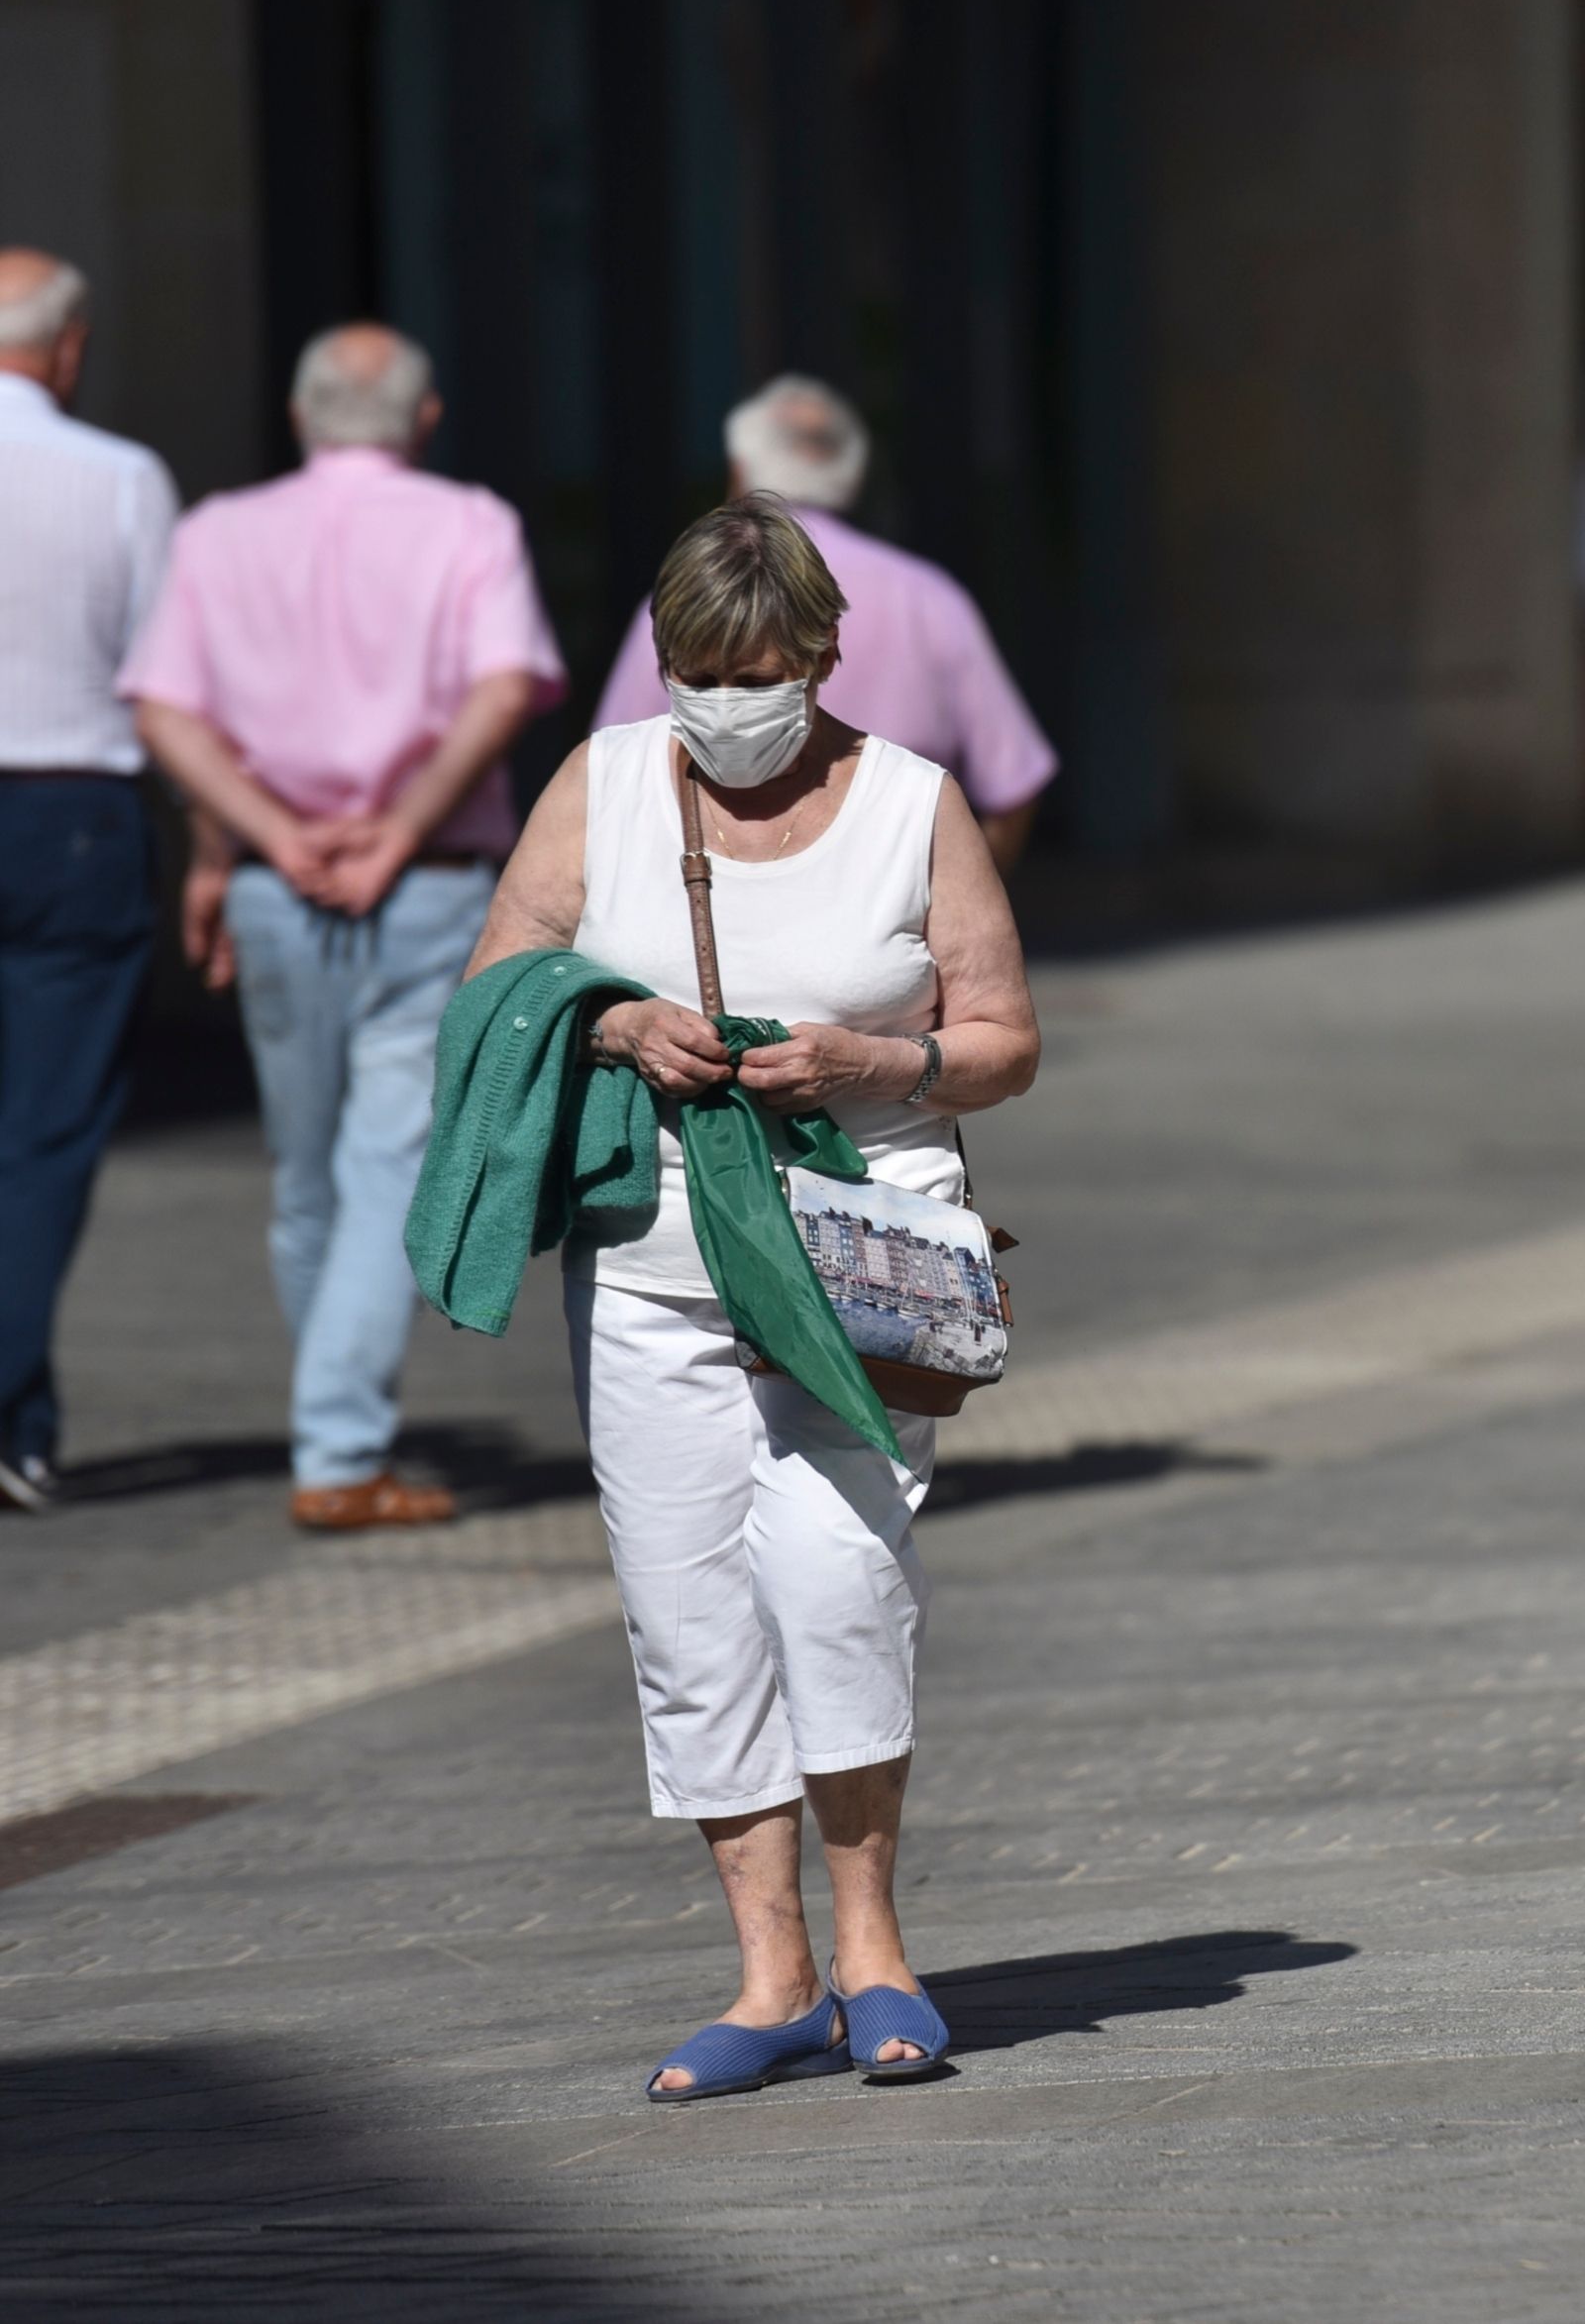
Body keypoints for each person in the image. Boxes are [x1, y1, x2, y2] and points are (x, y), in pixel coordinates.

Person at [466, 493, 1039, 2095]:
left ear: (824, 653)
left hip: (862, 1263)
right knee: (690, 1605)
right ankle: (770, 1975)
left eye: (761, 668)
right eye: (696, 671)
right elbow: (500, 982)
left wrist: (876, 1058)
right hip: (652, 1264)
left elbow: (1005, 1035)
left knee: (831, 1570)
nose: (726, 702)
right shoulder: (606, 784)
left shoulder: (912, 804)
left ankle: (873, 1949)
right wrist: (612, 1026)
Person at [122, 324, 568, 1532]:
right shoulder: (471, 523)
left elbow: (163, 707)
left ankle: (338, 1425)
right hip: (422, 873)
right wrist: (398, 820)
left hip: (281, 881)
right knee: (383, 1166)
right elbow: (505, 685)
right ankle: (336, 1442)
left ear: (296, 413)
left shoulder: (219, 532)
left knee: (309, 1174)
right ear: (421, 421)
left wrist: (262, 829)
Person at [592, 373, 1058, 874]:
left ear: (739, 471)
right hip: (894, 884)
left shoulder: (693, 600)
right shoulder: (928, 596)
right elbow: (1013, 784)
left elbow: (614, 777)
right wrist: (951, 900)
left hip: (711, 885)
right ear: (851, 477)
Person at [0, 250, 178, 1514]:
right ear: (65, 350)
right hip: (72, 807)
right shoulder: (120, 475)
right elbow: (159, 679)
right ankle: (12, 1413)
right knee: (46, 1132)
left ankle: (22, 1411)